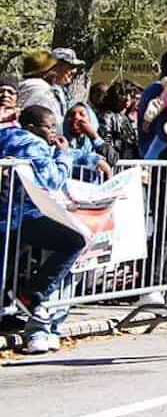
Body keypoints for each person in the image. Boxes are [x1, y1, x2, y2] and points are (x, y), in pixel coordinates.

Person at [0, 105, 108, 353]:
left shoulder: (8, 136)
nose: (52, 133)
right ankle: (33, 293)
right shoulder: (31, 143)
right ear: (31, 127)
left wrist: (89, 157)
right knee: (73, 240)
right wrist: (64, 156)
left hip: (11, 215)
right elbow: (52, 179)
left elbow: (53, 153)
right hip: (21, 215)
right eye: (48, 127)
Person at [16, 48, 83, 118]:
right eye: (70, 66)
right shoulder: (38, 88)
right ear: (54, 67)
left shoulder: (53, 89)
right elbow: (32, 119)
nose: (74, 71)